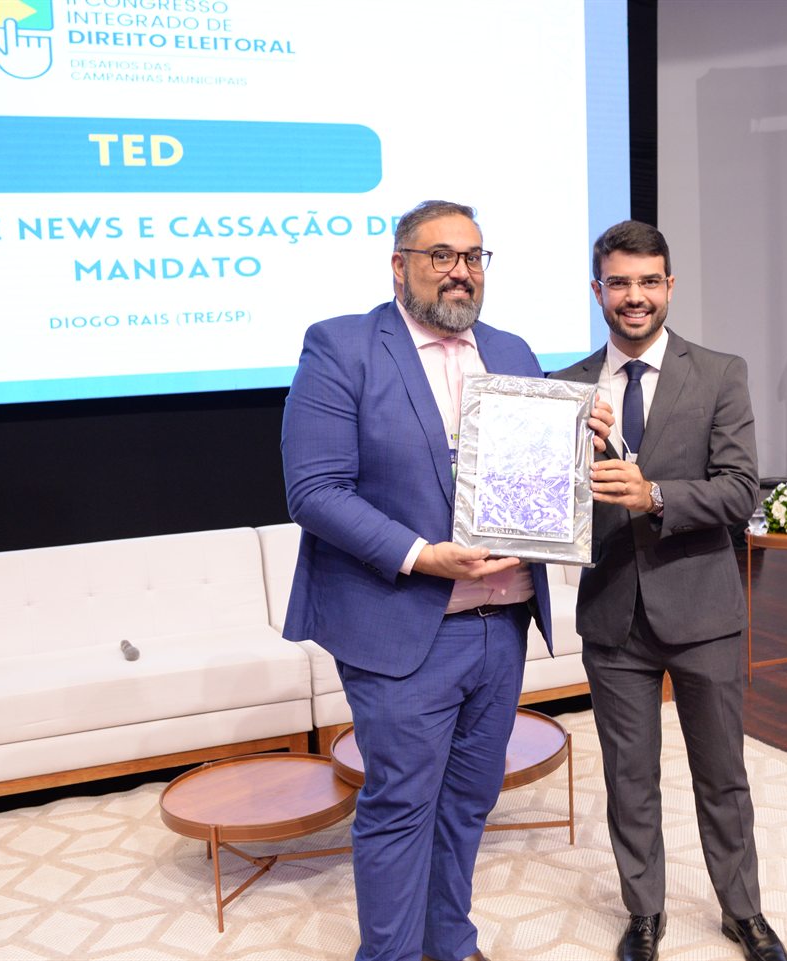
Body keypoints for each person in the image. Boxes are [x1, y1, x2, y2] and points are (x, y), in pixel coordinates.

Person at [281, 200, 608, 961]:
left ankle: (450, 942)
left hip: (503, 623)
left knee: (468, 801)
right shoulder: (342, 347)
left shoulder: (512, 350)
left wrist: (580, 447)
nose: (461, 271)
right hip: (402, 625)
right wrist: (423, 555)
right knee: (401, 807)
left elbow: (535, 479)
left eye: (473, 256)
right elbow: (315, 491)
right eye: (441, 255)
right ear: (399, 266)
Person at [551, 221, 787, 961]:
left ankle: (743, 911)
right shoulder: (563, 389)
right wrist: (572, 458)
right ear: (598, 291)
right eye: (620, 283)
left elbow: (741, 490)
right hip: (612, 616)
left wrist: (654, 494)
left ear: (670, 286)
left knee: (722, 775)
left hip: (704, 611)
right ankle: (644, 913)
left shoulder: (719, 373)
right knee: (629, 778)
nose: (635, 296)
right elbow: (547, 507)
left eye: (649, 281)